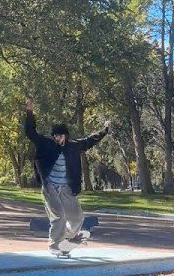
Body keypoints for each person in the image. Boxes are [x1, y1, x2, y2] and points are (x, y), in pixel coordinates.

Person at [23, 98, 110, 255]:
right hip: (50, 188)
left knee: (77, 217)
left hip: (67, 188)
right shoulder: (46, 144)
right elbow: (30, 132)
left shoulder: (73, 146)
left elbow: (90, 141)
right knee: (59, 217)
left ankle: (68, 239)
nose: (58, 139)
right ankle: (54, 245)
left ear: (66, 136)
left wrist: (104, 131)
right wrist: (29, 112)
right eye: (55, 136)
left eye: (61, 136)